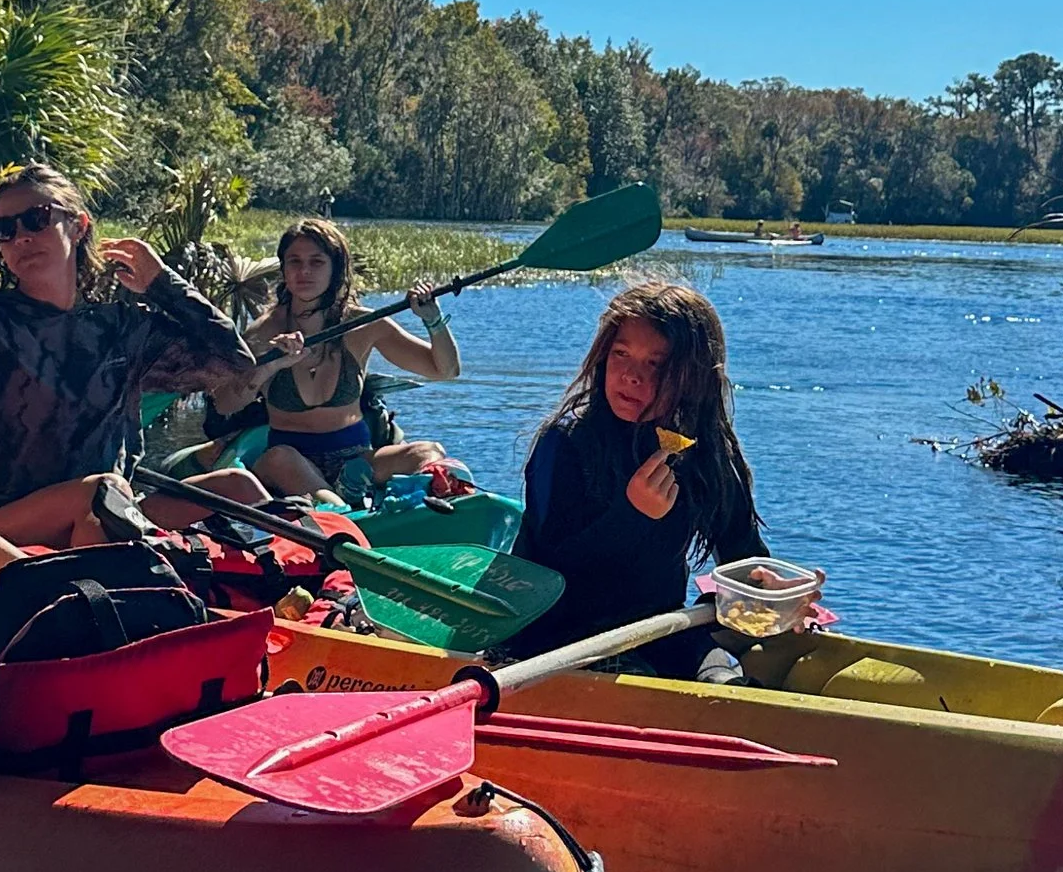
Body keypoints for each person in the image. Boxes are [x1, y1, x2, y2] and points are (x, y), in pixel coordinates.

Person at [0, 166, 266, 550]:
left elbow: (233, 361)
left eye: (36, 219)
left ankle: (288, 591)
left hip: (110, 509)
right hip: (8, 525)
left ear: (78, 225)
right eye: (5, 231)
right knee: (105, 493)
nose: (22, 237)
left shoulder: (122, 329)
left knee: (238, 486)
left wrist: (163, 283)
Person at [520, 281, 768, 671]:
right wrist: (632, 516)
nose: (631, 375)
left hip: (656, 629)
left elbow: (743, 557)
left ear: (693, 378)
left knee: (723, 680)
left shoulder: (705, 451)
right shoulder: (566, 441)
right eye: (620, 354)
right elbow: (552, 568)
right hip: (555, 636)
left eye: (655, 363)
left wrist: (774, 594)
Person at [209, 218, 463, 499]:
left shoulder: (364, 325)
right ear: (283, 268)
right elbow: (224, 404)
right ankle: (340, 509)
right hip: (290, 462)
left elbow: (445, 370)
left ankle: (392, 497)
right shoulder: (262, 333)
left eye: (316, 262)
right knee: (279, 459)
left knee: (430, 452)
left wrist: (434, 321)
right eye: (294, 261)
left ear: (335, 270)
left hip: (357, 461)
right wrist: (270, 366)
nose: (304, 271)